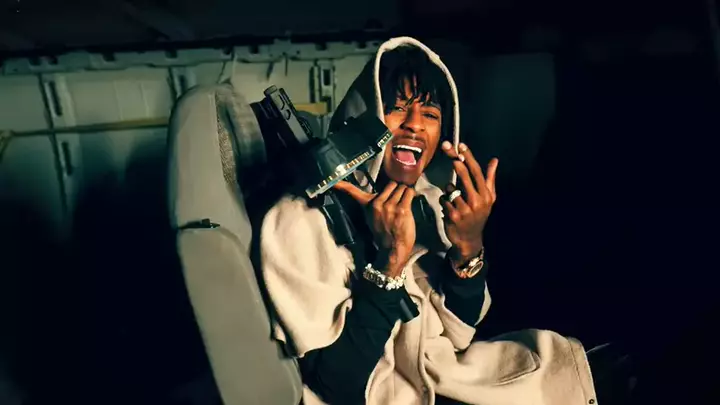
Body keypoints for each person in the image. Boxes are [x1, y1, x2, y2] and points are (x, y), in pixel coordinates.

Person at [260, 37, 597, 405]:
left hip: (443, 374)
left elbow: (459, 334)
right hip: (384, 395)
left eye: (431, 115)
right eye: (397, 109)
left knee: (578, 363)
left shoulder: (428, 203)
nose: (415, 126)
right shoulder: (299, 220)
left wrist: (468, 246)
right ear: (361, 119)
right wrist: (389, 264)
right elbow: (333, 386)